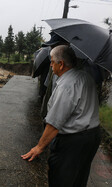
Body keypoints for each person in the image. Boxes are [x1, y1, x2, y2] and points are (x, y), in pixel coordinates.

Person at [21, 45, 101, 187]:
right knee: (79, 178)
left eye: (52, 62)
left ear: (61, 64)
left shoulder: (67, 85)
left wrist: (39, 147)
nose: (51, 65)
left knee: (61, 178)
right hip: (92, 136)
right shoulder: (85, 76)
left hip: (73, 141)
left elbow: (55, 122)